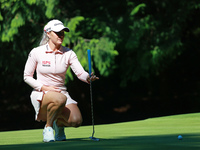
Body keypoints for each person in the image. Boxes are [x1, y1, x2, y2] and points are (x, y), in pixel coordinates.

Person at [23, 19, 99, 142]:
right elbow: (27, 76)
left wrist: (88, 77)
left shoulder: (69, 53)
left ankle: (58, 125)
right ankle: (48, 128)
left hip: (61, 93)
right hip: (42, 93)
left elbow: (80, 73)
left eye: (63, 32)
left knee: (76, 120)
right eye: (57, 32)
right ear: (48, 33)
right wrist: (45, 88)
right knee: (60, 98)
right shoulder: (36, 52)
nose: (61, 35)